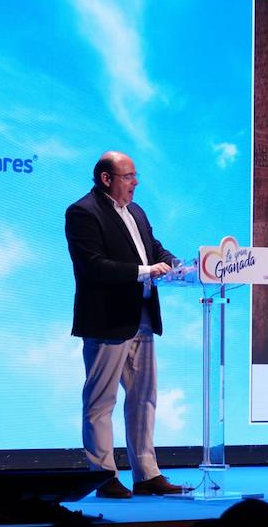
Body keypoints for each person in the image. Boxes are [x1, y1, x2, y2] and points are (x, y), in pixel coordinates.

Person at [65, 151, 188, 498]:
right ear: (107, 179)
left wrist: (177, 264)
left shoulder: (136, 211)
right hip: (107, 321)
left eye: (135, 176)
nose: (136, 183)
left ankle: (146, 473)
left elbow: (154, 248)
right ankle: (103, 476)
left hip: (142, 320)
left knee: (144, 398)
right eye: (129, 176)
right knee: (100, 402)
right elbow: (93, 265)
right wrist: (145, 272)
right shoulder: (83, 213)